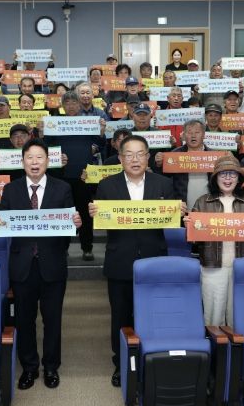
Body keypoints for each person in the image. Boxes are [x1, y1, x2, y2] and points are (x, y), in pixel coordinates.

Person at [0, 138, 82, 390]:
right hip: (22, 265)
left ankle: (51, 367)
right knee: (24, 320)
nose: (35, 162)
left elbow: (68, 227)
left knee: (52, 320)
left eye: (39, 157)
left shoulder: (62, 188)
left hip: (53, 263)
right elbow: (3, 223)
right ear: (22, 161)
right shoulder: (11, 189)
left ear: (48, 161)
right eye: (30, 158)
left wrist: (76, 224)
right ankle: (29, 367)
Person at [88, 134, 175, 387]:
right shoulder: (107, 186)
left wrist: (177, 212)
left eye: (140, 154)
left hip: (154, 259)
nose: (135, 159)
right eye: (129, 155)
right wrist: (95, 213)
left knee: (153, 314)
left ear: (148, 157)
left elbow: (171, 221)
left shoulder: (164, 184)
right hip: (120, 260)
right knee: (120, 316)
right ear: (120, 158)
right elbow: (102, 222)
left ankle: (152, 360)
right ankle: (121, 363)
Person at [186, 155, 244, 326]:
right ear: (215, 178)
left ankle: (236, 344)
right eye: (222, 174)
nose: (228, 178)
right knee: (213, 317)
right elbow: (192, 241)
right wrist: (190, 227)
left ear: (239, 178)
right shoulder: (202, 202)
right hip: (212, 267)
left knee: (239, 315)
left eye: (232, 174)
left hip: (242, 267)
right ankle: (215, 344)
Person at [43, 91, 104, 261]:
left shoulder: (88, 122)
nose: (71, 106)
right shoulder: (55, 123)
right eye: (67, 103)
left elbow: (100, 143)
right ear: (62, 106)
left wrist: (101, 132)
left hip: (83, 176)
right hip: (60, 176)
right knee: (62, 214)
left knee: (85, 214)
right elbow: (45, 145)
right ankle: (62, 248)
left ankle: (87, 248)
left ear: (80, 105)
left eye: (74, 102)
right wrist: (42, 133)